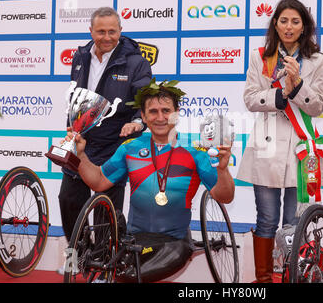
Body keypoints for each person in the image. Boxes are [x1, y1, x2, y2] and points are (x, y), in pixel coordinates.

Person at [63, 80, 235, 282]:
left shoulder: (195, 151)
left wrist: (222, 170)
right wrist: (81, 156)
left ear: (177, 113)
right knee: (118, 271)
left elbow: (225, 196)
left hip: (175, 242)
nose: (160, 117)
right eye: (153, 111)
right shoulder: (130, 148)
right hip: (134, 240)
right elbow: (99, 182)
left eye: (166, 110)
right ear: (143, 116)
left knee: (131, 276)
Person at [236, 0, 323, 283]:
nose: (289, 27)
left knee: (294, 223)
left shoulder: (317, 60)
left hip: (301, 146)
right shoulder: (259, 56)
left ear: (304, 27)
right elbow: (250, 99)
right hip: (267, 143)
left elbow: (319, 106)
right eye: (284, 20)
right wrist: (278, 95)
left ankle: (292, 277)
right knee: (266, 218)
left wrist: (298, 84)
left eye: (295, 22)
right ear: (275, 23)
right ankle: (263, 279)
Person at [58, 7, 152, 246]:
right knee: (68, 199)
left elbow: (146, 101)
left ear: (121, 30)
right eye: (101, 31)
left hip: (113, 143)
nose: (107, 37)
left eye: (112, 31)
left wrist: (137, 122)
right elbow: (75, 98)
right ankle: (80, 255)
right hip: (81, 143)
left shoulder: (136, 62)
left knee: (106, 209)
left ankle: (103, 265)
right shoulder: (80, 57)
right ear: (91, 31)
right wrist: (70, 129)